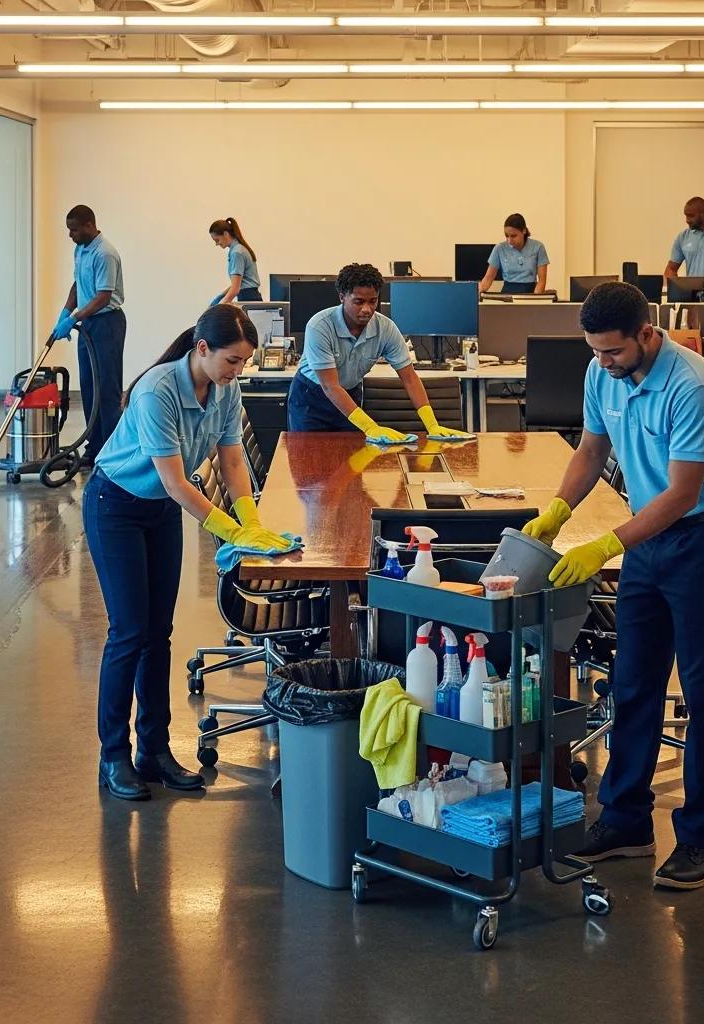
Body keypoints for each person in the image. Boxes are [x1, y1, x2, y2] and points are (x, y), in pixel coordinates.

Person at [523, 281, 704, 891]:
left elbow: (682, 492)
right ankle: (625, 822)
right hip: (647, 542)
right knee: (634, 683)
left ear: (647, 334)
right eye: (594, 352)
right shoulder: (605, 374)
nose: (603, 364)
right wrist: (558, 511)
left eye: (613, 352)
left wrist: (608, 544)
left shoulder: (692, 385)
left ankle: (701, 838)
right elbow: (591, 449)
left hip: (702, 542)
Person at [86, 304, 292, 801]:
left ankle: (153, 750)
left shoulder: (224, 388)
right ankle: (113, 755)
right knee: (129, 632)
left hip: (158, 511)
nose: (237, 371)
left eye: (243, 362)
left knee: (159, 632)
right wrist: (228, 530)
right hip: (115, 506)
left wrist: (252, 520)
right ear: (202, 349)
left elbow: (232, 457)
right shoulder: (158, 390)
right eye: (232, 361)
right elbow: (176, 482)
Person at [287, 262, 468, 440]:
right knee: (309, 461)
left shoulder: (385, 328)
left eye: (373, 301)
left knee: (351, 463)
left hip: (349, 394)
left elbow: (410, 378)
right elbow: (330, 386)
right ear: (342, 297)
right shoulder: (320, 326)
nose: (367, 309)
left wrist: (432, 425)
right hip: (311, 398)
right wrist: (371, 427)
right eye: (358, 302)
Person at [52, 205, 126, 465]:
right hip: (87, 324)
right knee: (88, 388)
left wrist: (73, 318)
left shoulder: (105, 253)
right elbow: (78, 285)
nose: (70, 235)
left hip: (107, 324)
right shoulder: (81, 250)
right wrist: (65, 311)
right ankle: (93, 450)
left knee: (107, 389)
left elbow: (103, 297)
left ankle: (111, 454)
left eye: (73, 229)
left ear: (89, 225)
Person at [478, 213, 549, 295]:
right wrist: (476, 295)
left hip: (530, 293)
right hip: (507, 294)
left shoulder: (538, 247)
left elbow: (542, 281)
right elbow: (488, 279)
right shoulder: (499, 248)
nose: (509, 240)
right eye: (507, 236)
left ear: (524, 231)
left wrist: (535, 301)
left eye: (513, 236)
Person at [208, 217, 262, 305]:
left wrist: (219, 307)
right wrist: (220, 297)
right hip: (250, 296)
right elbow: (236, 285)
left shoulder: (237, 252)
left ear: (225, 234)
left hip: (248, 298)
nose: (217, 244)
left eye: (217, 240)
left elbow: (235, 289)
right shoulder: (239, 249)